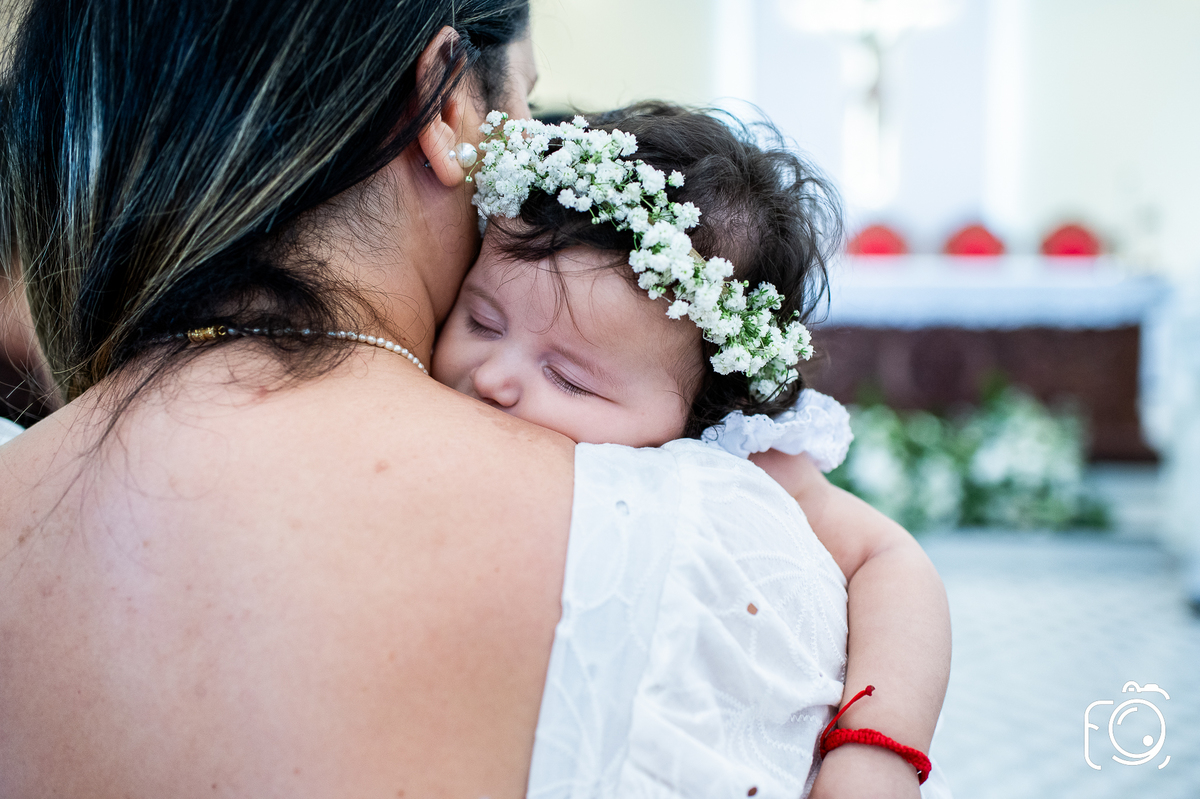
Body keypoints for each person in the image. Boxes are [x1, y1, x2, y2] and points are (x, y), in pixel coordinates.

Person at [0, 3, 946, 798]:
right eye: (522, 101)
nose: (504, 376)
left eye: (573, 375)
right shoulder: (703, 543)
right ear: (444, 105)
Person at [432, 104, 952, 796]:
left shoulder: (741, 454)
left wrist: (875, 749)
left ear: (704, 403)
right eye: (481, 320)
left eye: (568, 377)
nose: (493, 376)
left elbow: (890, 560)